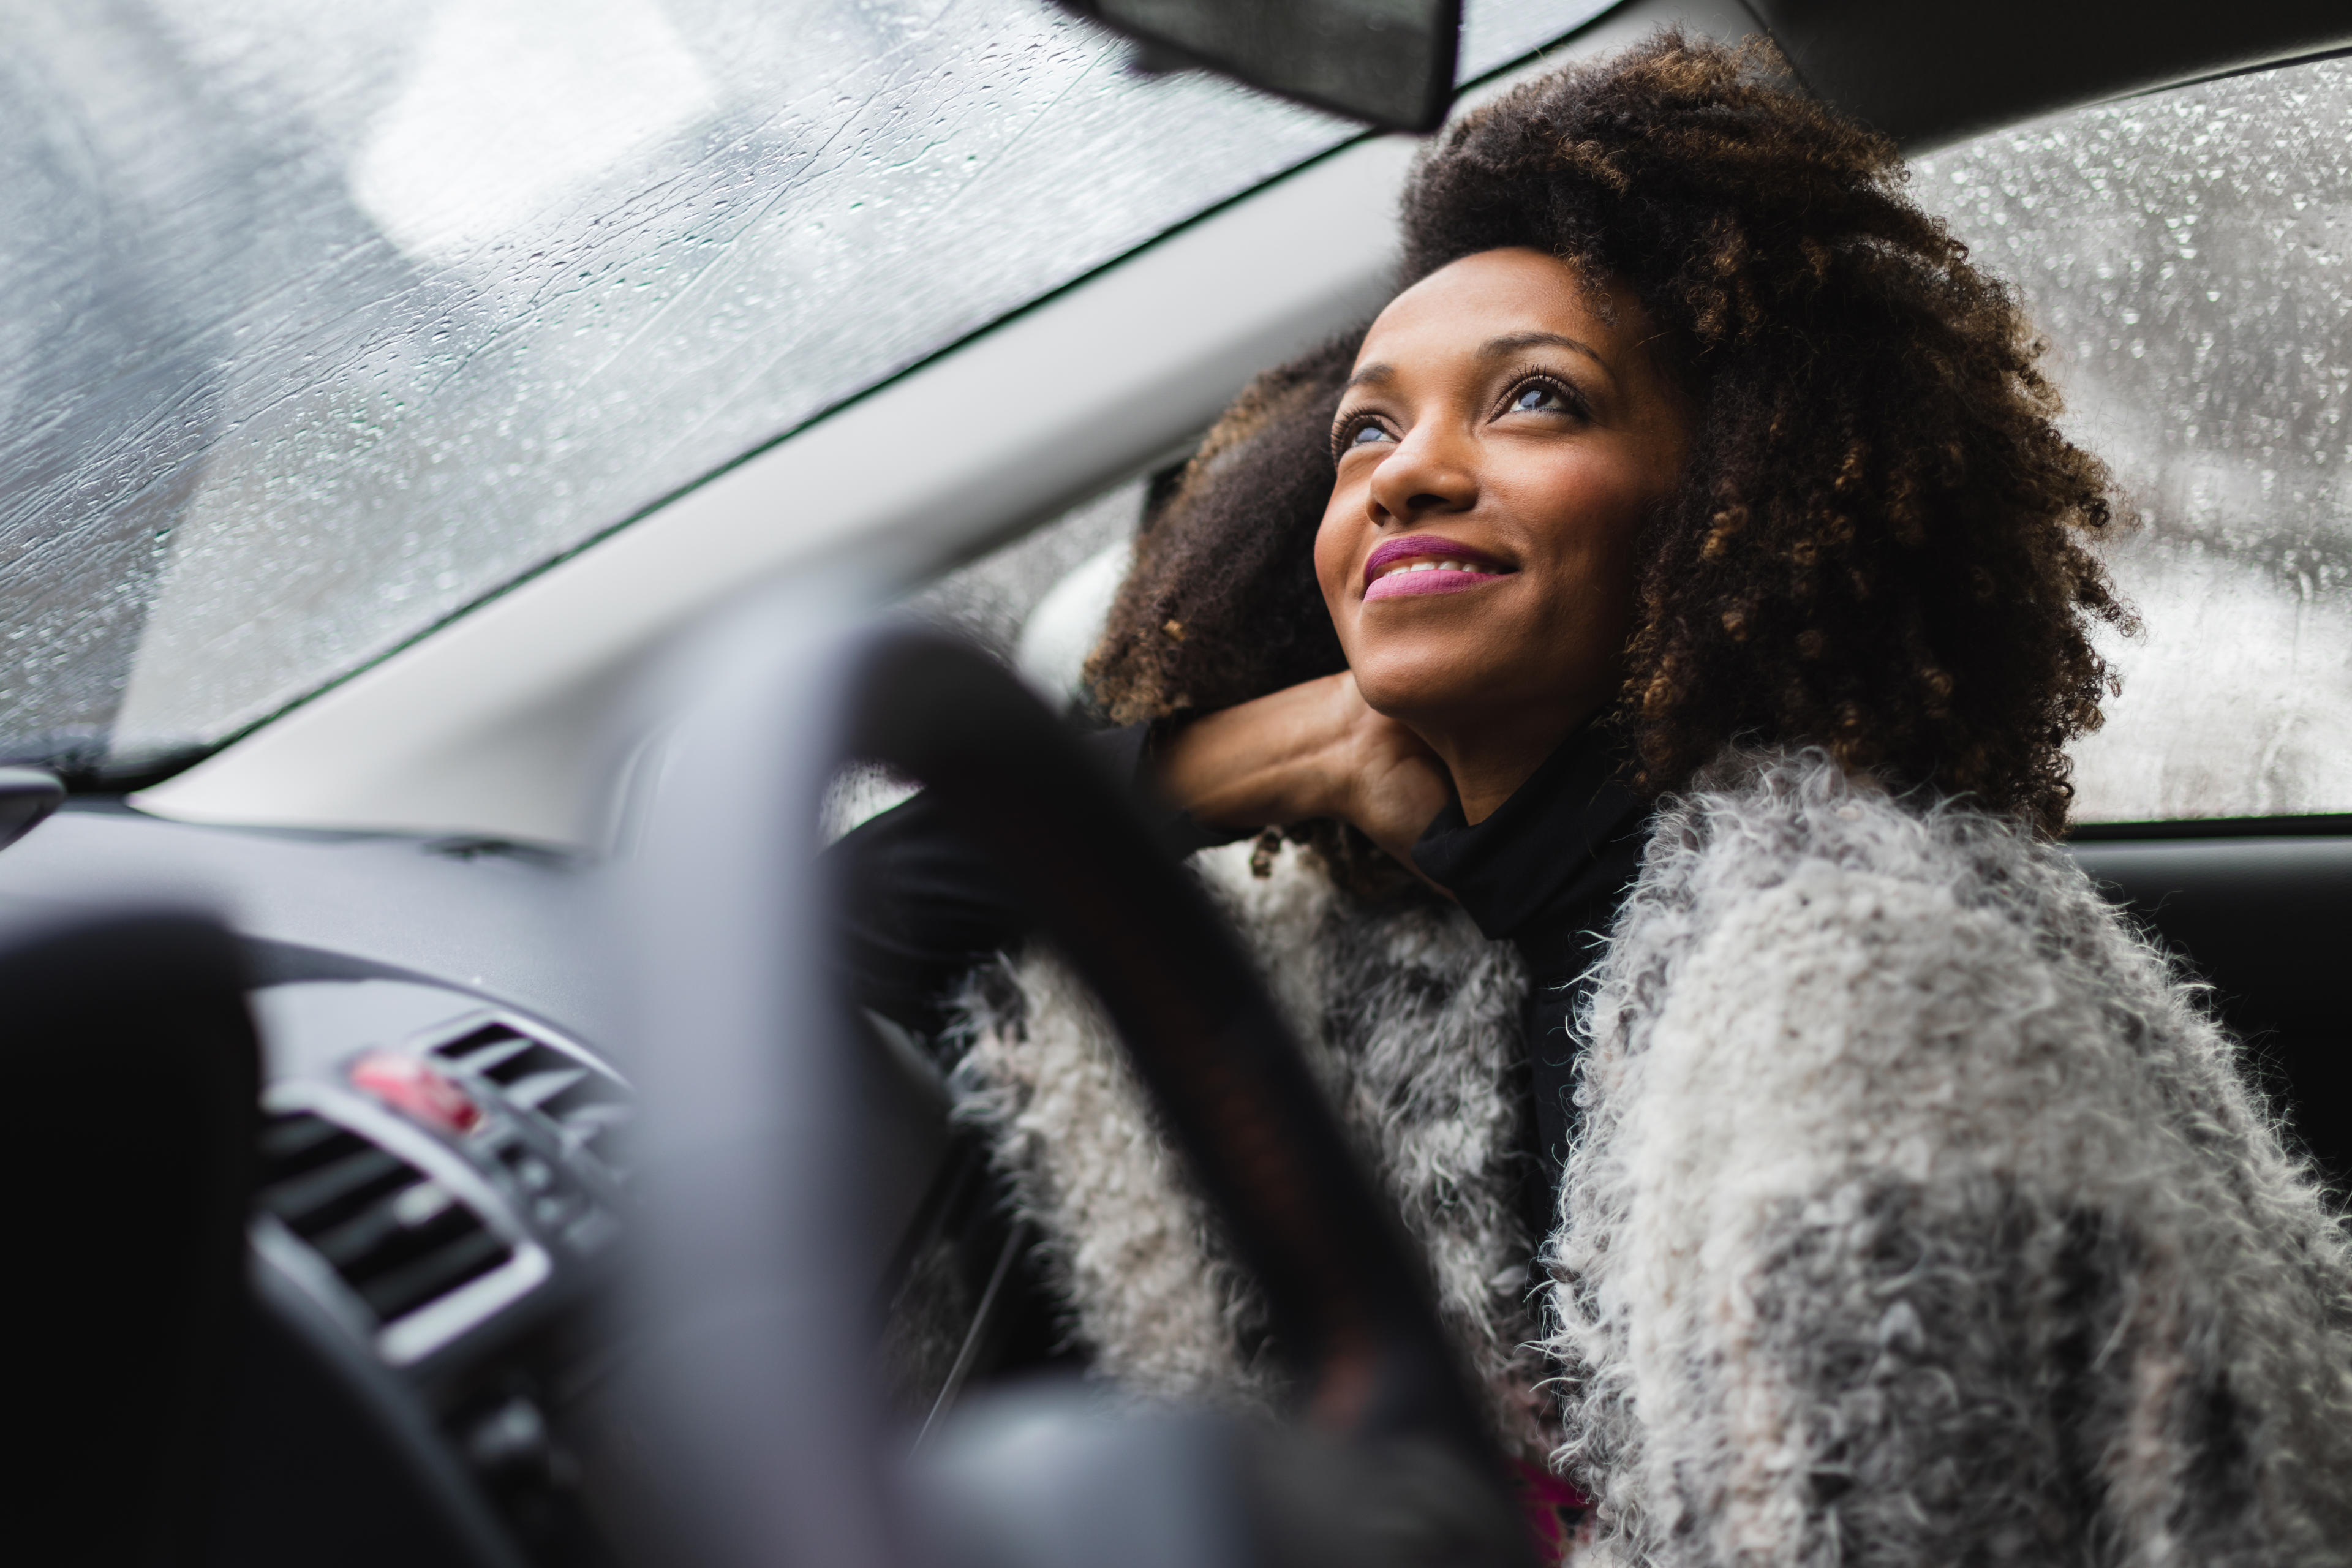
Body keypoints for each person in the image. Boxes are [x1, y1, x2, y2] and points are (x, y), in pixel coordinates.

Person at [833, 31, 2352, 1563]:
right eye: (1368, 425)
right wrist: (1292, 745)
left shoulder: (1844, 982)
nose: (1406, 474)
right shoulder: (1426, 915)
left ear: (1733, 500)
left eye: (1538, 400)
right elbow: (823, 937)